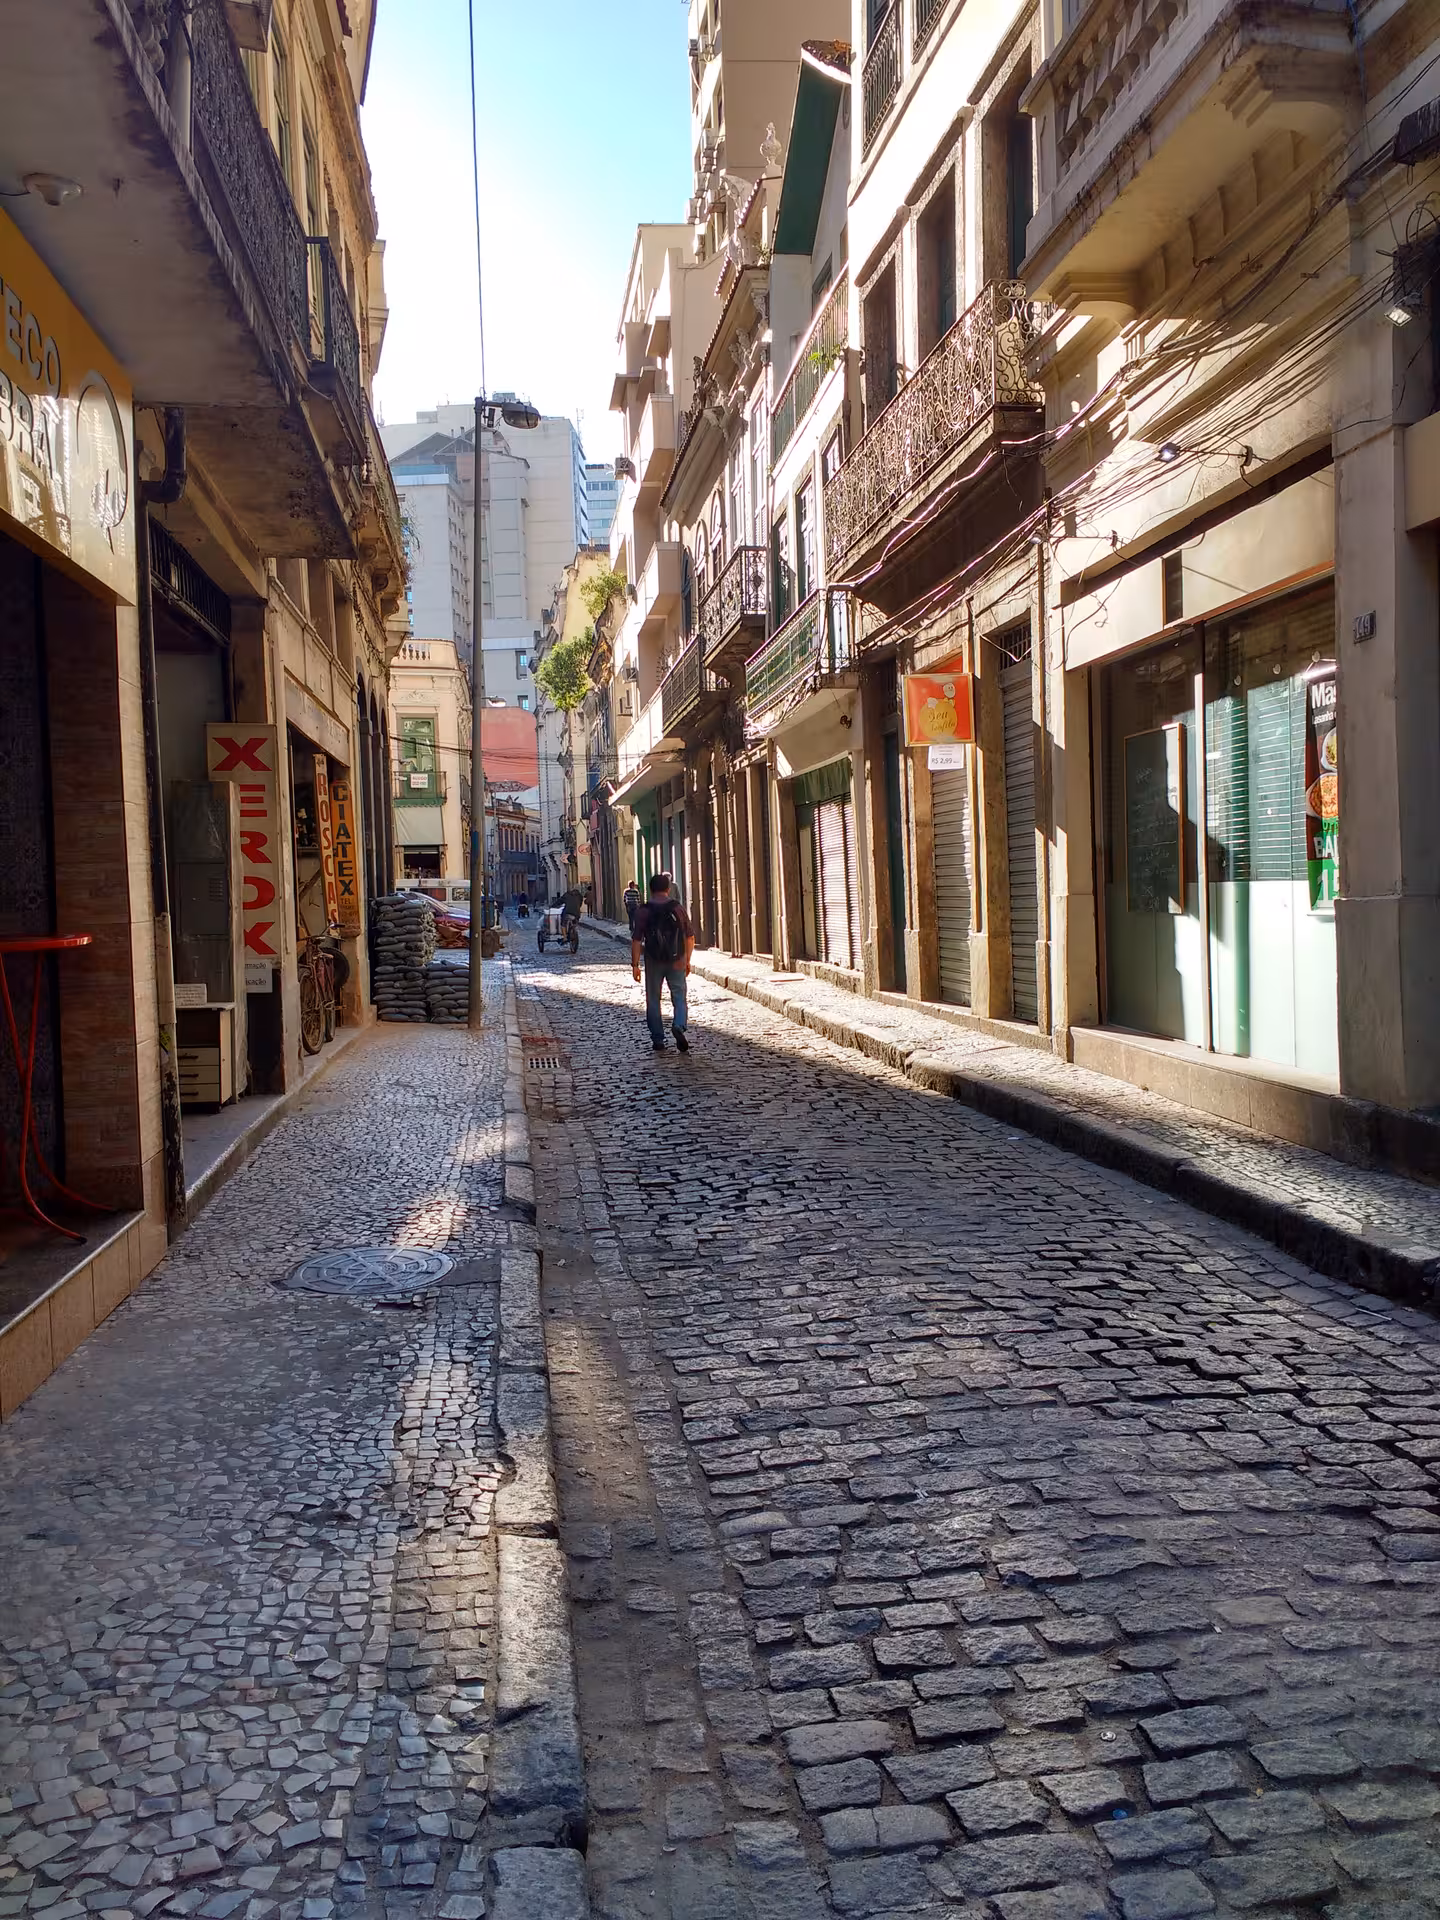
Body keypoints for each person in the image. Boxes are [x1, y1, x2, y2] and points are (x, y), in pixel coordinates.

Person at [631, 871, 694, 1052]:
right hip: (677, 959)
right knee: (679, 997)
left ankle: (658, 1038)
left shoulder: (643, 911)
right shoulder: (677, 908)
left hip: (653, 960)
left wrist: (635, 965)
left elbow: (636, 940)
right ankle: (679, 1025)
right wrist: (687, 959)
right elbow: (689, 937)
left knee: (653, 999)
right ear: (668, 888)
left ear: (650, 890)